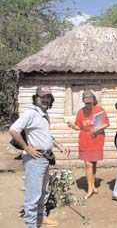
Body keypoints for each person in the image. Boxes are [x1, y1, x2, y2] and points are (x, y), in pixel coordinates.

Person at [9, 85, 70, 228]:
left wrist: (59, 146)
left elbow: (46, 135)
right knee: (33, 194)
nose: (45, 99)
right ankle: (31, 225)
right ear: (36, 98)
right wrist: (27, 148)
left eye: (48, 97)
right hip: (35, 159)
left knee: (44, 191)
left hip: (45, 158)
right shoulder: (31, 113)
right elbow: (13, 130)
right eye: (42, 97)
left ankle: (41, 218)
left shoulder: (44, 114)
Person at [68, 90, 109, 199]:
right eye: (86, 103)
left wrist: (98, 128)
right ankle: (90, 188)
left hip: (97, 139)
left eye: (90, 102)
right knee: (88, 164)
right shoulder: (80, 112)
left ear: (93, 100)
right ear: (83, 101)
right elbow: (78, 127)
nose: (88, 105)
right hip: (85, 140)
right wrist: (72, 125)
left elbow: (106, 123)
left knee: (93, 163)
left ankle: (93, 185)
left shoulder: (100, 110)